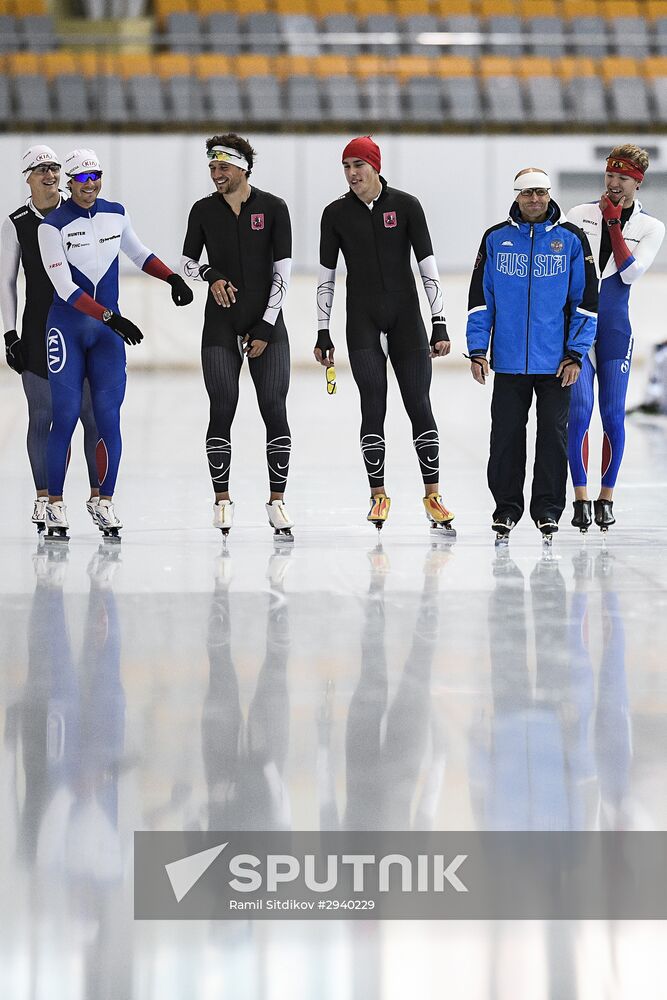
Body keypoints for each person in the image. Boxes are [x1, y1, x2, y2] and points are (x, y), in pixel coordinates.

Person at [37, 147, 193, 539]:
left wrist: (171, 277)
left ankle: (103, 501)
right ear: (69, 183)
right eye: (82, 179)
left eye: (96, 177)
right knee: (67, 415)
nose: (90, 185)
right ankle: (54, 504)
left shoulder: (116, 213)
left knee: (109, 418)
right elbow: (64, 287)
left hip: (108, 333)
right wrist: (110, 316)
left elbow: (139, 253)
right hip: (70, 328)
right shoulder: (51, 226)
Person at [314, 135, 453, 535]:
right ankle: (378, 494)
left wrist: (439, 320)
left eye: (359, 165)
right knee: (372, 406)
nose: (352, 174)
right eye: (346, 167)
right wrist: (322, 331)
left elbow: (428, 267)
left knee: (418, 404)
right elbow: (326, 277)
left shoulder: (406, 206)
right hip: (362, 321)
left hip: (407, 319)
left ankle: (433, 495)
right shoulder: (335, 213)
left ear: (375, 166)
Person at [466, 167, 598, 542]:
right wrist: (478, 349)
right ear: (516, 196)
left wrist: (575, 354)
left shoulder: (571, 240)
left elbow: (586, 301)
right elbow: (481, 299)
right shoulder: (495, 239)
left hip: (557, 363)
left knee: (553, 438)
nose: (535, 199)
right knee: (505, 437)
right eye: (527, 193)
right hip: (507, 362)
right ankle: (506, 510)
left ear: (550, 194)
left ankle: (547, 511)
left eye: (540, 192)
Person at [180, 133, 294, 540]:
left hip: (268, 323)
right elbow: (187, 264)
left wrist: (266, 324)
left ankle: (277, 501)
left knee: (273, 408)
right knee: (222, 406)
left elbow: (282, 272)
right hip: (220, 325)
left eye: (222, 167)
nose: (216, 174)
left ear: (243, 167)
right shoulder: (203, 210)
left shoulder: (274, 208)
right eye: (211, 167)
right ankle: (222, 500)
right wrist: (211, 275)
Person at [0, 145, 100, 532]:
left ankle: (98, 498)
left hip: (83, 329)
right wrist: (10, 334)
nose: (50, 175)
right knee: (43, 417)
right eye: (41, 169)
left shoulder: (78, 212)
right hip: (39, 331)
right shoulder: (17, 222)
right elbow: (7, 282)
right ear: (27, 176)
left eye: (55, 168)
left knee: (91, 416)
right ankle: (45, 499)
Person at [566, 145, 665, 531]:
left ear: (637, 184)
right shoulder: (579, 215)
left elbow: (628, 274)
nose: (614, 184)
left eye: (623, 178)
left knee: (611, 415)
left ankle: (606, 497)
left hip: (614, 330)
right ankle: (580, 498)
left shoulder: (651, 227)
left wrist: (613, 224)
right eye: (610, 176)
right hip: (576, 330)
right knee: (577, 413)